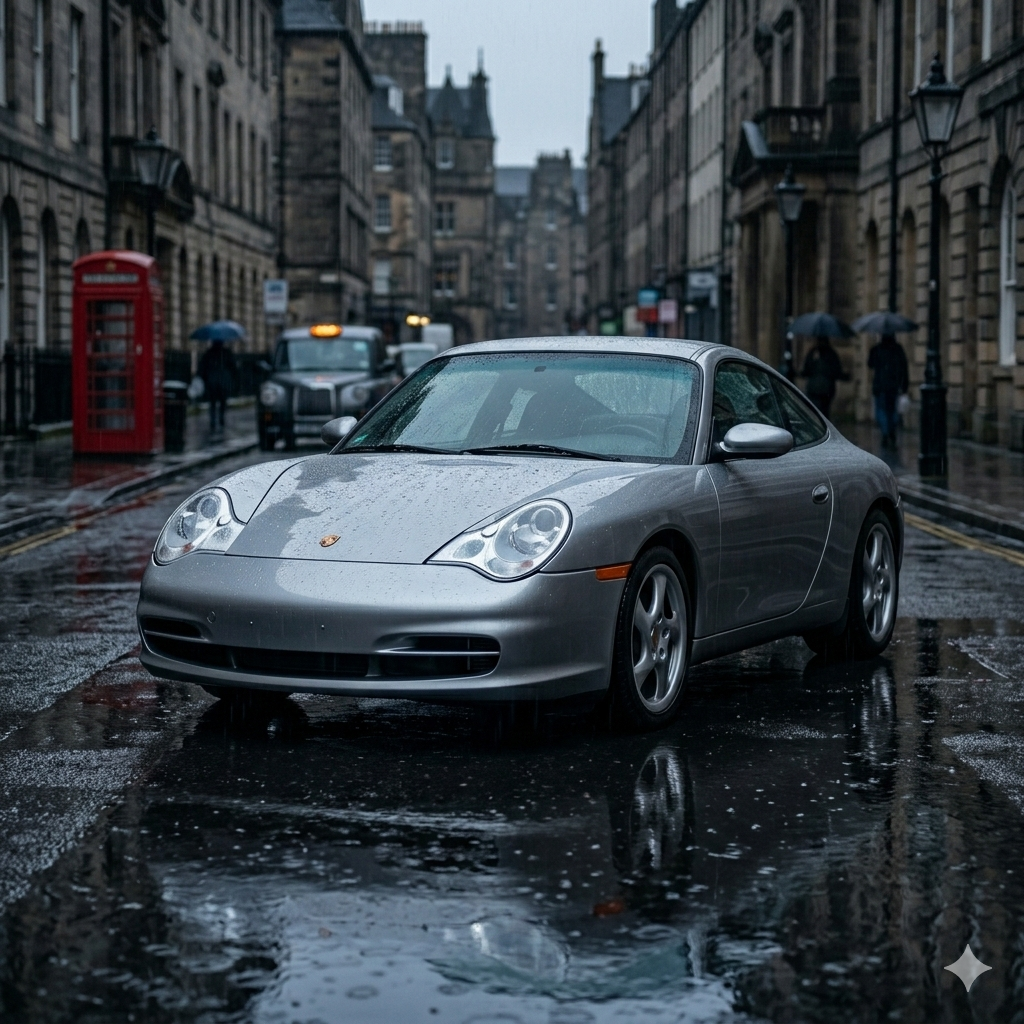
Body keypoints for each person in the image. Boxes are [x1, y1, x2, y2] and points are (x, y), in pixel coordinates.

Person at [867, 333, 910, 449]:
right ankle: (891, 431)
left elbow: (870, 364)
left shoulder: (877, 349)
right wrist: (905, 386)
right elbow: (904, 368)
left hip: (880, 386)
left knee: (882, 411)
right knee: (892, 411)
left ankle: (886, 433)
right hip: (893, 386)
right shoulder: (898, 349)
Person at [800, 335, 849, 418]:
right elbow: (837, 371)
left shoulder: (813, 353)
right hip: (827, 389)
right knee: (825, 412)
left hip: (814, 389)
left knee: (815, 412)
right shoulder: (832, 353)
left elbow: (806, 371)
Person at [197, 339, 237, 434]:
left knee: (213, 402)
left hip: (212, 381)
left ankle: (213, 420)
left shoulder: (209, 353)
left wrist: (201, 377)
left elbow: (202, 366)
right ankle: (221, 418)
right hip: (223, 381)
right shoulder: (226, 352)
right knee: (223, 401)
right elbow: (233, 367)